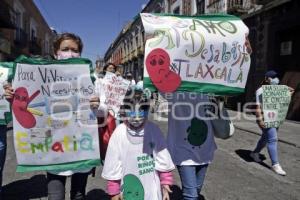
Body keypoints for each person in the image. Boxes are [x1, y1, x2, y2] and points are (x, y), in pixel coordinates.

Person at [4, 32, 91, 200]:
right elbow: (27, 110)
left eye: (74, 50)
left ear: (80, 53)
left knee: (79, 195)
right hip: (55, 150)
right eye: (65, 49)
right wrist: (14, 99)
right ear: (56, 52)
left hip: (81, 148)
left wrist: (96, 103)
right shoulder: (41, 76)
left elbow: (101, 108)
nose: (70, 53)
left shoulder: (89, 77)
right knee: (55, 196)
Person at [101, 86, 175, 200]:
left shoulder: (153, 130)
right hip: (128, 186)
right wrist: (113, 191)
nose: (136, 119)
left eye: (140, 113)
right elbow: (114, 163)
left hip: (151, 185)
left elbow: (162, 156)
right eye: (132, 113)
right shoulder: (119, 133)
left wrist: (165, 181)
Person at [250, 70, 294, 176]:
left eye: (276, 77)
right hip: (265, 118)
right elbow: (258, 106)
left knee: (265, 138)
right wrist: (260, 119)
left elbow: (291, 90)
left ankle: (254, 153)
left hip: (275, 118)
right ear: (267, 79)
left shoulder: (277, 90)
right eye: (273, 77)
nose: (276, 79)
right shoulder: (260, 90)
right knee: (273, 139)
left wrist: (284, 88)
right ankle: (275, 164)